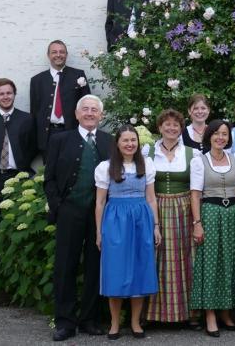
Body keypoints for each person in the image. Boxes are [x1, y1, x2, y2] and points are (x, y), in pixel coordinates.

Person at [45, 94, 113, 341]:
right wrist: (58, 206)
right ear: (76, 114)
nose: (90, 113)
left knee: (95, 265)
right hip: (70, 210)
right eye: (85, 109)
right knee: (65, 266)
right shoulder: (60, 140)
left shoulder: (109, 141)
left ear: (101, 115)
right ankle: (64, 322)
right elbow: (49, 178)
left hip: (100, 214)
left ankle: (89, 319)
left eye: (95, 109)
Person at [95, 125, 160, 340]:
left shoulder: (146, 164)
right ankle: (114, 323)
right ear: (117, 143)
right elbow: (100, 201)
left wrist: (156, 226)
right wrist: (99, 232)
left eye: (133, 140)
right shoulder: (106, 167)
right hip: (116, 220)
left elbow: (151, 198)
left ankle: (135, 322)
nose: (130, 144)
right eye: (125, 140)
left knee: (140, 269)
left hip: (141, 218)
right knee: (116, 270)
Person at [190, 119, 235, 336]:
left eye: (224, 134)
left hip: (233, 214)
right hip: (211, 213)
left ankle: (226, 311)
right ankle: (210, 314)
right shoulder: (199, 161)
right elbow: (195, 194)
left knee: (231, 261)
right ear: (209, 136)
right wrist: (197, 224)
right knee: (210, 263)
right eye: (216, 134)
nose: (220, 138)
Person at [145, 109, 195, 326]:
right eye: (167, 124)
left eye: (176, 125)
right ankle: (152, 314)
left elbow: (197, 188)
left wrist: (197, 219)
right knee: (155, 259)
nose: (172, 128)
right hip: (155, 207)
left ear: (181, 129)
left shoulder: (192, 154)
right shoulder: (147, 152)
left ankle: (190, 314)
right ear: (159, 127)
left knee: (185, 259)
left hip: (183, 208)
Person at [0, 78, 36, 209]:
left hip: (20, 176)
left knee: (20, 217)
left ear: (14, 94)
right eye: (1, 94)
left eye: (9, 93)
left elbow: (33, 146)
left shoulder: (27, 119)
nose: (5, 97)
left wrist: (22, 162)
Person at [30, 40, 91, 157]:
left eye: (62, 52)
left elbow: (87, 107)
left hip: (73, 132)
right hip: (48, 134)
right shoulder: (37, 80)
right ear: (48, 55)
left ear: (66, 55)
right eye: (54, 52)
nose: (58, 55)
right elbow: (34, 112)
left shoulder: (78, 75)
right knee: (49, 171)